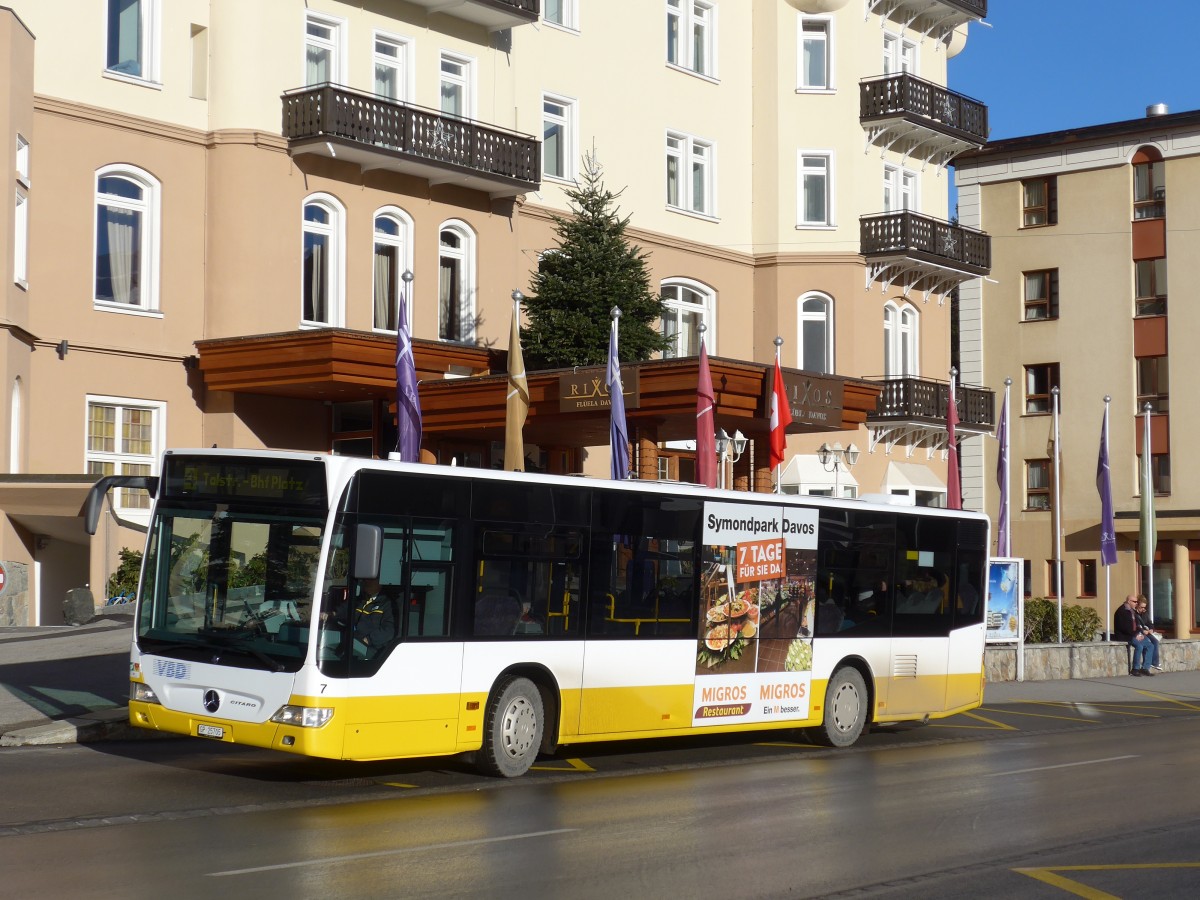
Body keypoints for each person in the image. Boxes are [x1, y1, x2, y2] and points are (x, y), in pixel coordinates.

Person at [1114, 594, 1155, 676]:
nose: (1136, 603)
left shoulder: (1132, 611)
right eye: (1134, 601)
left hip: (1134, 634)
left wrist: (1141, 632)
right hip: (1125, 635)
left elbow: (1137, 625)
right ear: (1129, 601)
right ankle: (1135, 669)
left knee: (1150, 645)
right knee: (1139, 646)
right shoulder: (1122, 611)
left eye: (1137, 602)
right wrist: (1136, 635)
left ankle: (1145, 668)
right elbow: (1124, 627)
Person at [1135, 596, 1163, 672]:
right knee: (1148, 643)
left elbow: (1150, 623)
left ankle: (1155, 662)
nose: (1143, 609)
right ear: (1137, 605)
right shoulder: (1134, 614)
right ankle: (1146, 666)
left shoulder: (1144, 613)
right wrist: (1142, 630)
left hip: (1147, 632)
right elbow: (1136, 625)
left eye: (1144, 607)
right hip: (1139, 633)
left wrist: (1151, 629)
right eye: (1141, 607)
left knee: (1155, 641)